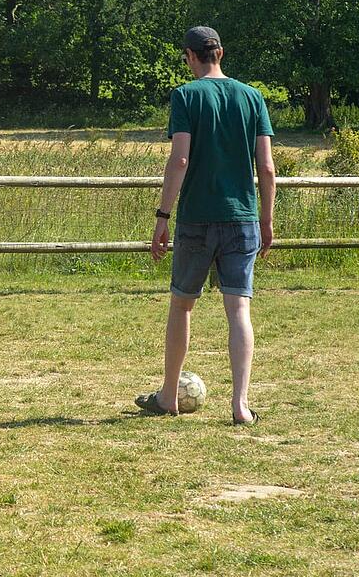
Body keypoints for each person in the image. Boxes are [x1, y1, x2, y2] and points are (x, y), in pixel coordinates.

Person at [135, 26, 276, 425]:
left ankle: (168, 396)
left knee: (182, 305)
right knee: (239, 311)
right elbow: (265, 167)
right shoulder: (252, 97)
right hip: (243, 218)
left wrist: (162, 216)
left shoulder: (185, 95)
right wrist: (266, 218)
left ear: (189, 56)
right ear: (221, 53)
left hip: (197, 218)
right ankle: (241, 405)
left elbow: (180, 160)